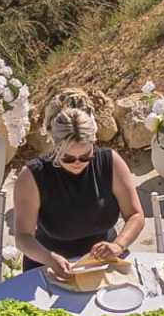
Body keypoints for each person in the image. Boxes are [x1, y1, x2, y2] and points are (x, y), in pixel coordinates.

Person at [11, 99, 145, 278]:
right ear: (55, 145)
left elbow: (135, 215)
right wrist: (49, 258)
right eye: (67, 158)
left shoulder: (110, 162)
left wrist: (119, 245)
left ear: (93, 144)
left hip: (104, 259)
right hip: (50, 264)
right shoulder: (32, 176)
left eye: (85, 156)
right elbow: (23, 237)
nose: (77, 163)